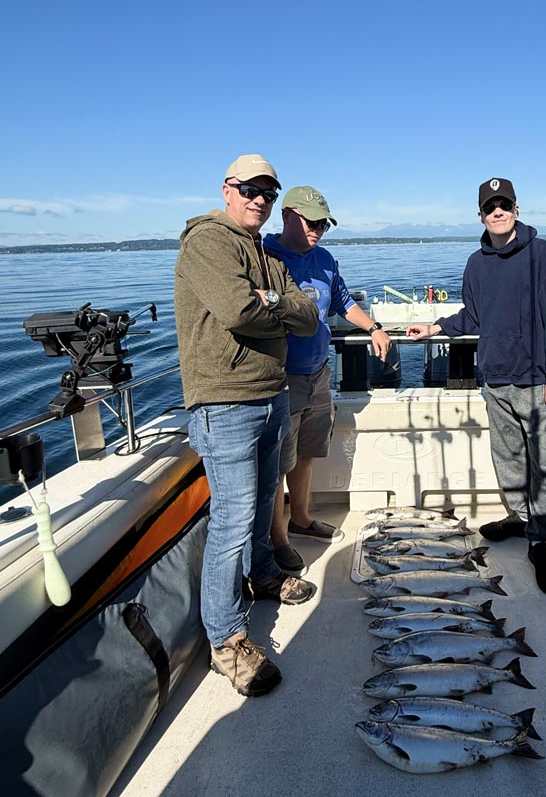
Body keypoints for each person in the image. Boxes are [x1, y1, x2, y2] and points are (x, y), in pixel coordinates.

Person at [174, 154, 320, 696]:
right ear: (227, 189)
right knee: (232, 521)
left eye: (268, 192)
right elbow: (238, 312)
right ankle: (226, 640)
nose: (260, 199)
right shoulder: (208, 242)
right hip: (226, 402)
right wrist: (272, 308)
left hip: (271, 393)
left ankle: (262, 574)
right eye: (250, 189)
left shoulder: (264, 253)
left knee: (261, 502)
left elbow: (308, 316)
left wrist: (272, 299)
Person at [407, 177, 546, 594]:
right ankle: (520, 517)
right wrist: (435, 327)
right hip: (497, 379)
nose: (497, 212)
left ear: (516, 210)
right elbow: (474, 315)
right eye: (490, 207)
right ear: (480, 215)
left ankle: (540, 541)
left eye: (504, 205)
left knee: (545, 465)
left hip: (539, 383)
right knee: (507, 457)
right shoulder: (476, 263)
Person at [263, 186, 392, 573]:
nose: (318, 230)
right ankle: (278, 539)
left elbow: (343, 302)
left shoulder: (324, 260)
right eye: (311, 222)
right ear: (287, 215)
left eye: (323, 224)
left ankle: (301, 519)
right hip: (280, 377)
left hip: (319, 373)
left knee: (306, 453)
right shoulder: (264, 255)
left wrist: (374, 328)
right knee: (277, 464)